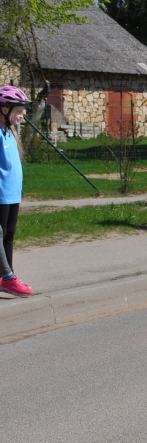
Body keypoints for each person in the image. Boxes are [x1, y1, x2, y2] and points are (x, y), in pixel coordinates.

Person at [0, 85, 32, 296]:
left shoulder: (9, 132)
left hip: (12, 193)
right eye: (19, 111)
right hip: (1, 194)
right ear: (4, 109)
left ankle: (5, 277)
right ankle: (7, 277)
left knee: (8, 236)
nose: (22, 116)